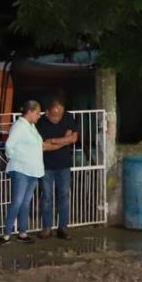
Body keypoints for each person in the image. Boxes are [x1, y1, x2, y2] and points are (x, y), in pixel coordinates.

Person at [0, 100, 49, 244]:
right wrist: (16, 159)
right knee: (17, 202)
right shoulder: (20, 126)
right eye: (37, 113)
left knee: (25, 202)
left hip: (32, 170)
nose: (39, 116)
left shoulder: (30, 126)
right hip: (21, 169)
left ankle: (22, 232)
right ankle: (7, 234)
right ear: (30, 112)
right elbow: (9, 146)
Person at [36, 100, 79, 240]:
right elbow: (43, 146)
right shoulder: (40, 122)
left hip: (64, 164)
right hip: (46, 165)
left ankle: (63, 227)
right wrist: (64, 140)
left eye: (59, 116)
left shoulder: (68, 117)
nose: (57, 119)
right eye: (54, 116)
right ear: (47, 112)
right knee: (47, 197)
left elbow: (74, 138)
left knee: (64, 196)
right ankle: (47, 227)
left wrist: (53, 140)